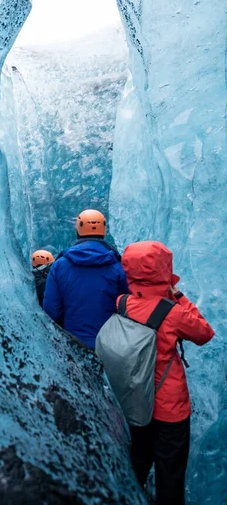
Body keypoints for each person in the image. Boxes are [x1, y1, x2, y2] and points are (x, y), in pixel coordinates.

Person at [119, 241, 214, 505]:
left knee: (139, 459)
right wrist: (179, 296)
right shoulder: (172, 312)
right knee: (170, 473)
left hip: (137, 399)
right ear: (163, 269)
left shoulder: (122, 303)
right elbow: (204, 333)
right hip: (169, 406)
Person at [43, 209, 128, 348]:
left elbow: (51, 309)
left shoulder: (60, 265)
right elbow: (128, 307)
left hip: (73, 344)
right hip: (111, 346)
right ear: (104, 230)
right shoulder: (118, 266)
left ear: (78, 228)